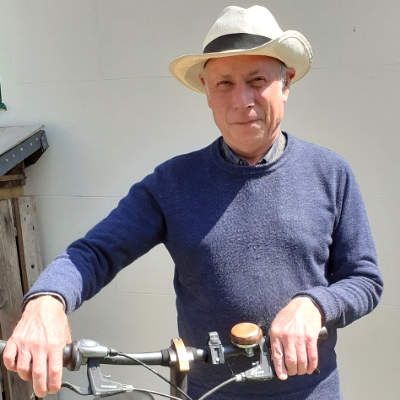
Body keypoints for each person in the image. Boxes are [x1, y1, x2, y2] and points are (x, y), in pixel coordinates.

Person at [3, 5, 383, 399]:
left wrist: (316, 304)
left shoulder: (330, 173)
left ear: (285, 83)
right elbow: (94, 253)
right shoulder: (173, 183)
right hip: (209, 393)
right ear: (206, 89)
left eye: (257, 80)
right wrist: (47, 300)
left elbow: (364, 280)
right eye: (224, 84)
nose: (242, 99)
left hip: (313, 393)